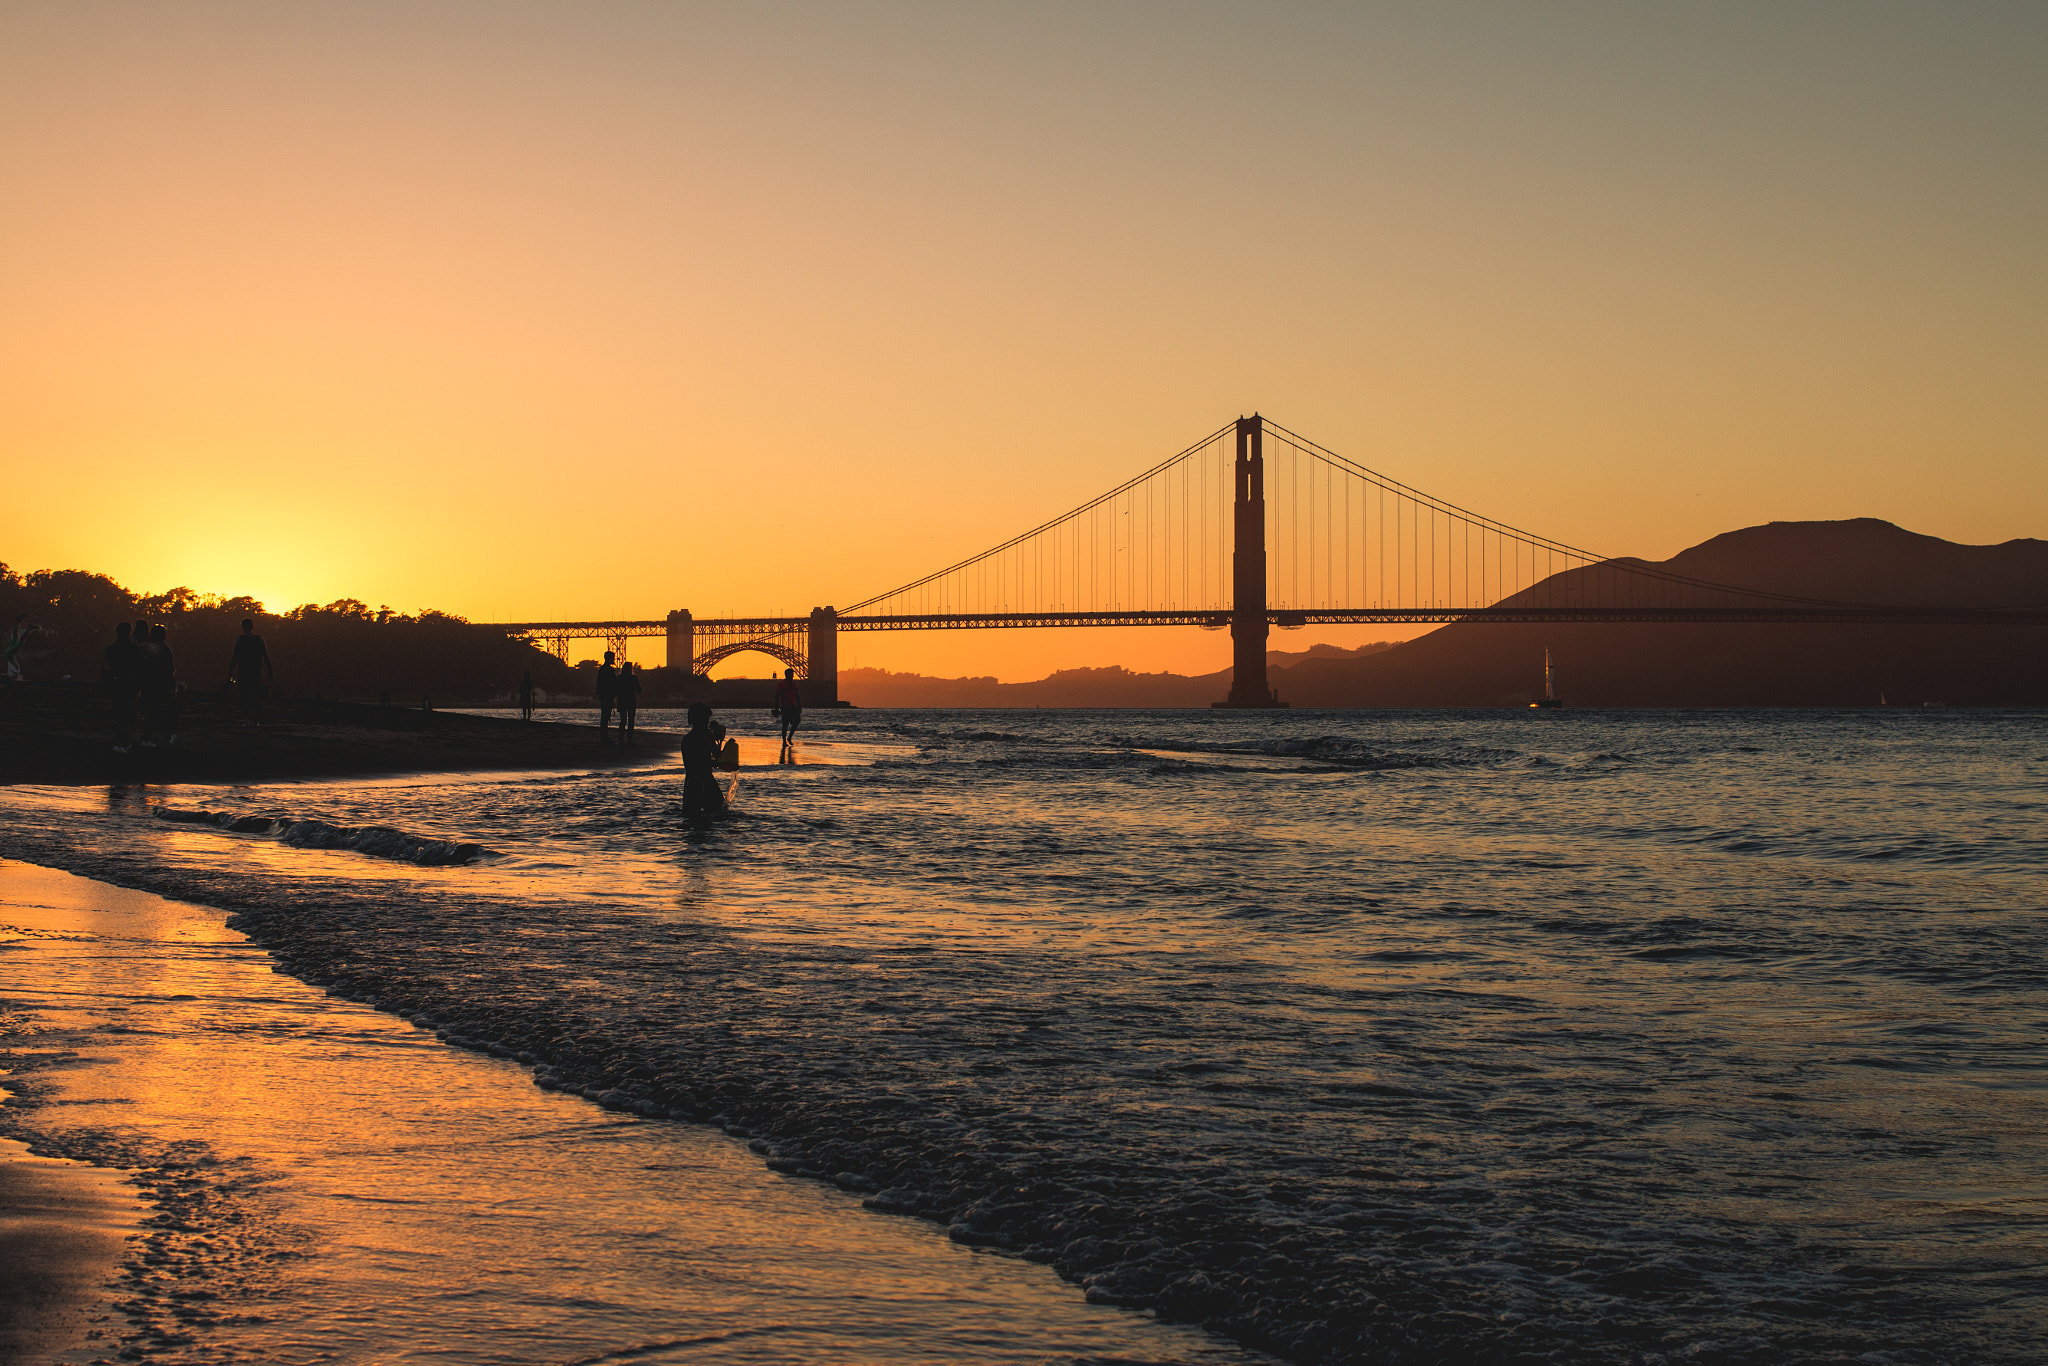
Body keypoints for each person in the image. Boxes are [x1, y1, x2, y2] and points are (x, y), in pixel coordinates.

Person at [678, 702, 729, 816]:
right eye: (706, 719)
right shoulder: (707, 736)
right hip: (706, 782)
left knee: (691, 817)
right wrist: (720, 740)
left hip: (691, 784)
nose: (707, 722)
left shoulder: (687, 739)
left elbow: (691, 765)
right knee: (720, 813)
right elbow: (718, 756)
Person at [101, 622, 144, 752]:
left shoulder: (110, 649)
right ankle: (122, 740)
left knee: (119, 711)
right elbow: (138, 667)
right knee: (125, 712)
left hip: (116, 682)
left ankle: (119, 740)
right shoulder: (134, 650)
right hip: (128, 683)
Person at [140, 624, 178, 747]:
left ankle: (164, 736)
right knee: (156, 711)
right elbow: (168, 668)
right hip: (160, 683)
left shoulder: (144, 647)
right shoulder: (164, 648)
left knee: (156, 711)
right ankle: (148, 738)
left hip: (148, 683)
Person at [227, 618, 272, 722]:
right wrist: (270, 671)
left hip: (243, 671)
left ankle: (245, 718)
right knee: (255, 697)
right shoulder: (259, 639)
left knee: (244, 696)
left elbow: (234, 657)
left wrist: (230, 671)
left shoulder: (240, 640)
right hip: (256, 671)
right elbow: (266, 656)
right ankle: (255, 719)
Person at [5, 613, 40, 682]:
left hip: (10, 655)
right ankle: (17, 621)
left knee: (20, 642)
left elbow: (12, 679)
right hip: (9, 654)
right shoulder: (15, 672)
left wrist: (14, 681)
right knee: (15, 637)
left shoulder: (13, 673)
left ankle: (29, 629)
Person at [773, 668, 802, 747]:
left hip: (794, 706)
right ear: (787, 674)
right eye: (791, 674)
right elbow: (777, 696)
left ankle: (789, 738)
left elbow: (796, 694)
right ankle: (784, 741)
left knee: (796, 722)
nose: (793, 675)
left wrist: (799, 705)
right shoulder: (781, 684)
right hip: (785, 707)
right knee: (785, 724)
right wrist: (776, 708)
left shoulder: (794, 683)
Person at [595, 651, 619, 743]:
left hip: (603, 695)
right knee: (605, 716)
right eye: (613, 658)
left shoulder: (602, 669)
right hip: (607, 695)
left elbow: (599, 684)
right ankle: (605, 738)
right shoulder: (609, 670)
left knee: (605, 716)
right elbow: (613, 684)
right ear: (609, 658)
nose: (614, 659)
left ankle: (604, 737)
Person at [616, 662, 641, 742]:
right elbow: (639, 690)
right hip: (631, 701)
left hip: (622, 701)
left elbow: (616, 690)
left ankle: (621, 739)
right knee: (631, 721)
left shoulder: (619, 678)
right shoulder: (634, 678)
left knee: (623, 720)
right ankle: (629, 740)